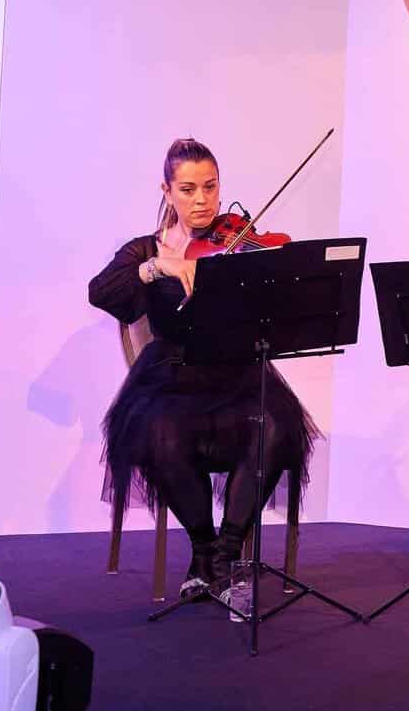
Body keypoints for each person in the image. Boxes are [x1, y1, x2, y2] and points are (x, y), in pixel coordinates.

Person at [88, 139, 318, 598]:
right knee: (159, 436)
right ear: (167, 190)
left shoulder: (238, 240)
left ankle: (225, 554)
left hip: (238, 374)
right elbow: (101, 291)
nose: (202, 200)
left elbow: (286, 296)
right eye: (189, 189)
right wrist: (157, 267)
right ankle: (202, 547)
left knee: (274, 428)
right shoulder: (143, 250)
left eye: (210, 187)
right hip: (172, 378)